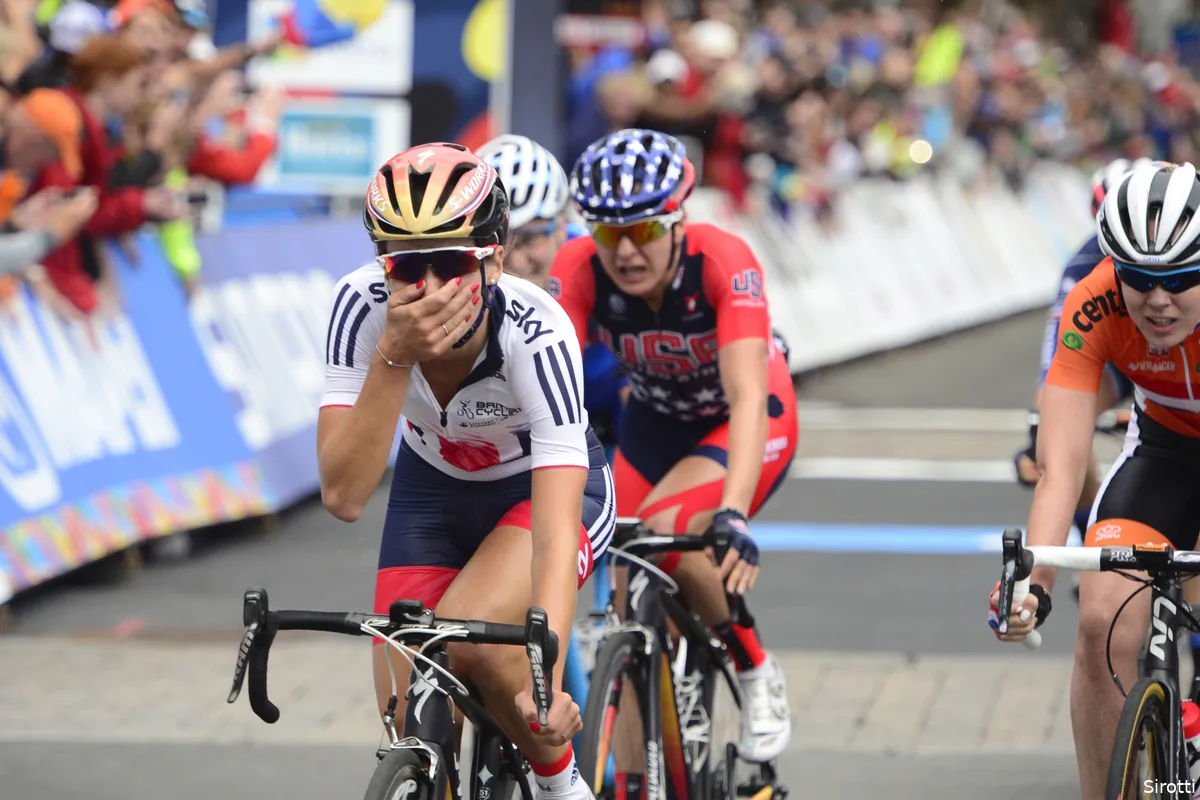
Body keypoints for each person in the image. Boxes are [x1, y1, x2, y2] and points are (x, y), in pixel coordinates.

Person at [318, 142, 613, 800]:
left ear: (495, 261)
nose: (428, 289)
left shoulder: (537, 329)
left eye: (450, 264)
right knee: (407, 717)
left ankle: (561, 786)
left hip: (540, 493)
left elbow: (557, 532)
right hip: (433, 495)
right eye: (406, 268)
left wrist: (548, 679)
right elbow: (342, 494)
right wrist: (392, 358)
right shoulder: (360, 309)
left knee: (472, 640)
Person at [549, 128, 797, 764]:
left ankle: (753, 665)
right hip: (656, 425)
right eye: (609, 233)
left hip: (743, 421)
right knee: (627, 579)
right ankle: (640, 767)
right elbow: (548, 384)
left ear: (679, 221)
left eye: (646, 231)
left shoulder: (723, 261)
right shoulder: (575, 270)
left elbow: (746, 400)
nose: (627, 251)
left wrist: (732, 514)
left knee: (667, 529)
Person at [991, 160, 1200, 798]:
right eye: (1139, 277)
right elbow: (1061, 466)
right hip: (1165, 449)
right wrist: (1034, 582)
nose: (1158, 300)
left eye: (1179, 279)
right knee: (1101, 619)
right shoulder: (1094, 301)